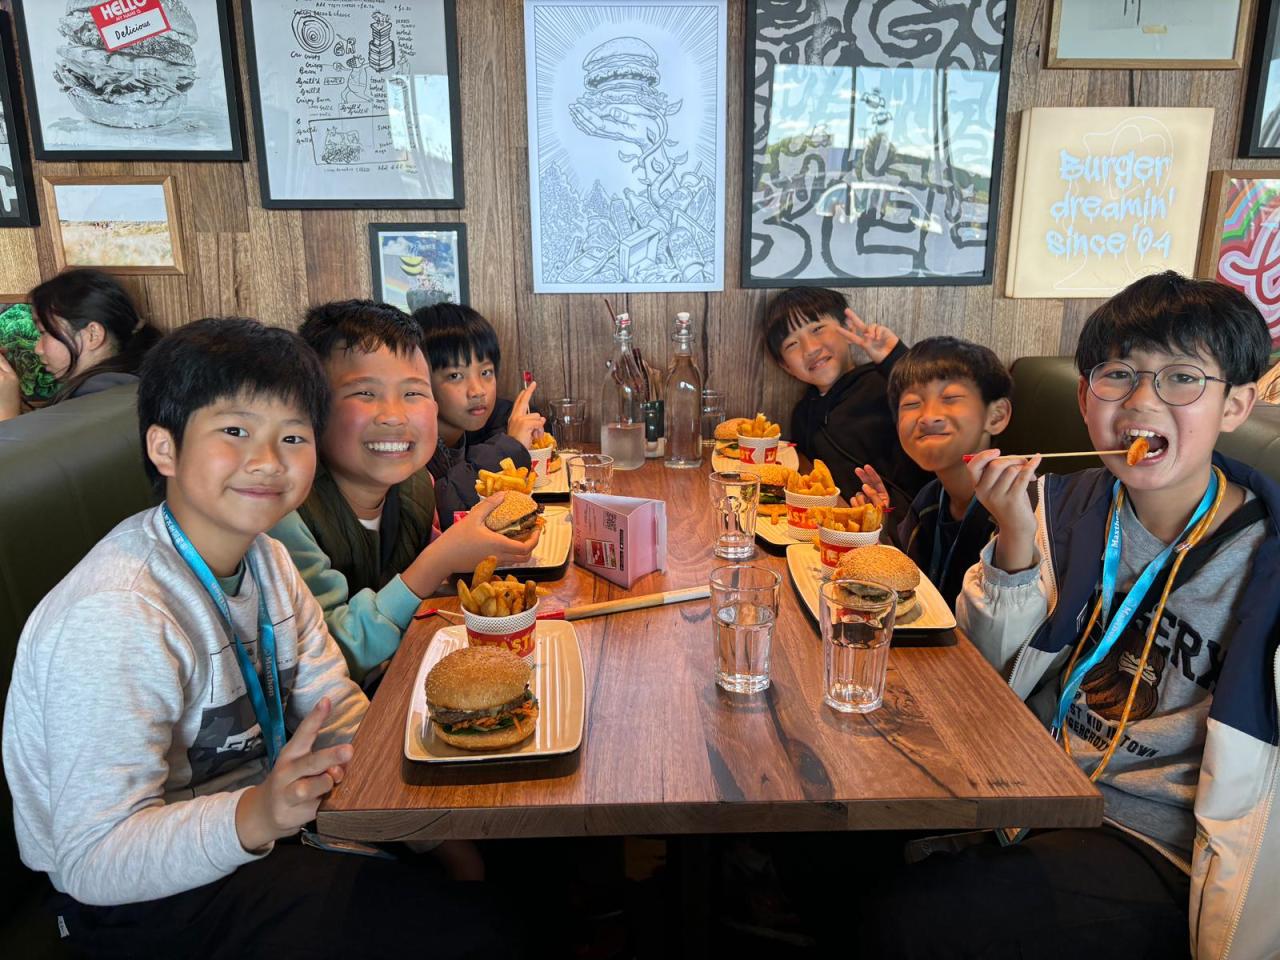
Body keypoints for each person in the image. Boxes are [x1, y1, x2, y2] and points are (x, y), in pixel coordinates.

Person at [1, 317, 511, 958]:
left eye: (292, 436)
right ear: (164, 448)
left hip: (277, 831)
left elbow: (336, 713)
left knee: (515, 869)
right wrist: (257, 816)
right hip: (141, 904)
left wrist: (435, 835)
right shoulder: (118, 612)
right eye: (235, 431)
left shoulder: (267, 560)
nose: (269, 461)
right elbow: (92, 857)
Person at [856, 273, 1280, 958]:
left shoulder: (1267, 565)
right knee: (832, 844)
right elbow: (986, 670)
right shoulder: (1062, 507)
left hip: (1155, 841)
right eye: (1118, 375)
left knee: (917, 921)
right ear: (1085, 398)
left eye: (1181, 377)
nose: (1141, 400)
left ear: (1235, 404)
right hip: (1029, 782)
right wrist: (1015, 540)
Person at [269, 300, 536, 685]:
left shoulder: (416, 486)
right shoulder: (286, 516)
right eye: (365, 393)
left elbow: (434, 593)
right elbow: (329, 656)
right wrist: (439, 559)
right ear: (311, 409)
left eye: (413, 393)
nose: (394, 415)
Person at [855, 337, 1012, 608]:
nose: (928, 416)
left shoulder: (1018, 507)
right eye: (911, 404)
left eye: (950, 398)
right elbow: (909, 587)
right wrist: (879, 531)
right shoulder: (929, 499)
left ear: (996, 416)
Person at [763, 287, 930, 519]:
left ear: (848, 329)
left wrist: (895, 358)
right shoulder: (803, 414)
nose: (810, 349)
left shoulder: (885, 383)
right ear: (785, 366)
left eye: (817, 329)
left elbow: (932, 398)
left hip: (908, 523)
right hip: (840, 526)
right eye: (792, 344)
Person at [415, 302, 543, 527]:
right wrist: (511, 445)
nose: (477, 391)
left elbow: (505, 413)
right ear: (421, 382)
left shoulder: (467, 423)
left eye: (485, 372)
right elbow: (441, 507)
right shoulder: (411, 448)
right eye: (455, 376)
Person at [0, 269, 160, 422]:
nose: (38, 349)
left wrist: (6, 411)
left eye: (43, 332)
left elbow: (53, 441)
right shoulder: (127, 384)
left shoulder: (96, 402)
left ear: (93, 334)